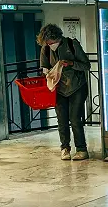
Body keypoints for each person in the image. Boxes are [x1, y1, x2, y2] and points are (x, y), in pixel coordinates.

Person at [38, 24, 91, 160]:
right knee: (62, 120)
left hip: (77, 87)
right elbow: (44, 67)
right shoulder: (46, 49)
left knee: (75, 119)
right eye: (48, 43)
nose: (50, 45)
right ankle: (65, 148)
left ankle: (81, 149)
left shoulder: (72, 45)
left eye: (52, 42)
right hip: (58, 89)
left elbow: (86, 65)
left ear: (57, 38)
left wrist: (72, 64)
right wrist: (48, 74)